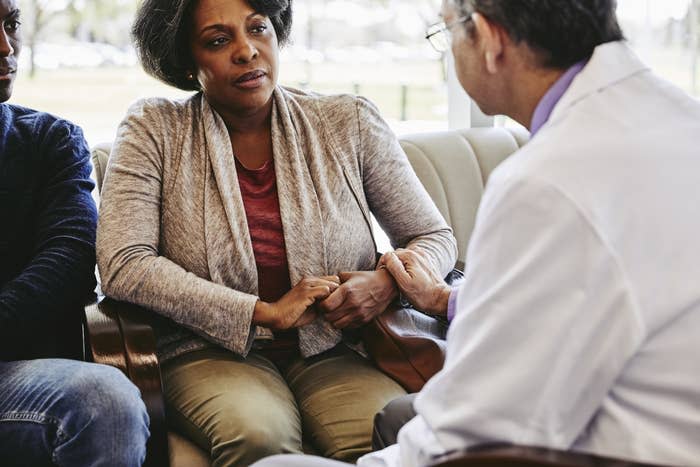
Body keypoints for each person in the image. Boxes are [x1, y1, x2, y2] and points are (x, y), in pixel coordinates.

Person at [251, 0, 700, 466]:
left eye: (445, 33)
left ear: (486, 38)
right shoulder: (678, 116)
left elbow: (474, 435)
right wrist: (446, 300)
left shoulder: (547, 182)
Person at [96, 0, 457, 465]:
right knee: (259, 438)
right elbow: (126, 265)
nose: (247, 51)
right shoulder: (153, 131)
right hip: (208, 351)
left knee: (393, 434)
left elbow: (433, 236)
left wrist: (386, 284)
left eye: (258, 29)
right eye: (219, 40)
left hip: (336, 347)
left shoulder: (348, 122)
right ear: (187, 61)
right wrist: (263, 313)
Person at [0, 1, 150, 466]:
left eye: (11, 24)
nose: (6, 48)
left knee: (104, 399)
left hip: (18, 373)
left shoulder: (51, 140)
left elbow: (69, 260)